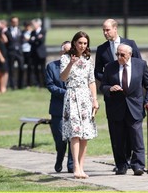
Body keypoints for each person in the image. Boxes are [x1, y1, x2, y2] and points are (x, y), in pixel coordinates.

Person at [100, 43, 148, 175]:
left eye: (122, 55)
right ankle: (121, 165)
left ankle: (138, 166)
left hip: (135, 107)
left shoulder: (140, 65)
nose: (119, 57)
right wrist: (110, 89)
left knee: (136, 138)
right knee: (118, 139)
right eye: (117, 54)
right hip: (116, 108)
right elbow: (102, 86)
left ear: (129, 54)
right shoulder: (109, 67)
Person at [95, 18, 142, 170]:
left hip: (131, 98)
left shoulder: (131, 44)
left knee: (133, 132)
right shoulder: (101, 49)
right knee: (117, 133)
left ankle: (131, 161)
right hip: (114, 97)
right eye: (103, 30)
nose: (105, 32)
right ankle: (121, 163)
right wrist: (110, 81)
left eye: (107, 29)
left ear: (115, 29)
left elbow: (139, 67)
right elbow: (97, 72)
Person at [60, 31, 99, 179]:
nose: (82, 46)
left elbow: (91, 81)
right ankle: (75, 166)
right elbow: (63, 78)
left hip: (85, 98)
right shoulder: (65, 58)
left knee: (85, 134)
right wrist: (71, 63)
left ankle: (82, 167)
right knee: (75, 133)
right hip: (72, 96)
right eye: (80, 43)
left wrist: (94, 99)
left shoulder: (89, 59)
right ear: (74, 43)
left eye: (85, 43)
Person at [46, 41, 73, 173]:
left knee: (73, 137)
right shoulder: (51, 67)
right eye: (66, 51)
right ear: (61, 52)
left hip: (74, 107)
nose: (67, 53)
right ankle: (60, 156)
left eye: (70, 51)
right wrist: (66, 93)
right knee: (61, 138)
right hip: (58, 108)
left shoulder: (77, 66)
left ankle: (71, 164)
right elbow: (50, 86)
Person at [7, 16, 24, 90]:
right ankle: (12, 85)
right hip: (11, 52)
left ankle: (20, 85)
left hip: (19, 52)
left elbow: (22, 40)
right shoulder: (7, 31)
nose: (15, 23)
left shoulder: (20, 30)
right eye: (14, 21)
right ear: (11, 22)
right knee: (11, 69)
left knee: (21, 68)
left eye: (16, 21)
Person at [29, 18, 47, 87]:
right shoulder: (32, 32)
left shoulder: (43, 31)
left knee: (42, 69)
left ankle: (44, 84)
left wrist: (34, 39)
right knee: (35, 69)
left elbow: (41, 41)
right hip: (34, 53)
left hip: (41, 53)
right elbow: (30, 42)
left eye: (33, 24)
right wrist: (37, 38)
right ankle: (38, 83)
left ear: (38, 24)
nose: (32, 25)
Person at [21, 20, 34, 88]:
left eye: (28, 26)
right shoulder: (22, 32)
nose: (27, 27)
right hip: (23, 51)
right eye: (25, 26)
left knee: (29, 68)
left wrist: (28, 40)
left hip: (30, 51)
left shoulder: (33, 32)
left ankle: (29, 83)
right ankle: (22, 83)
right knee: (22, 68)